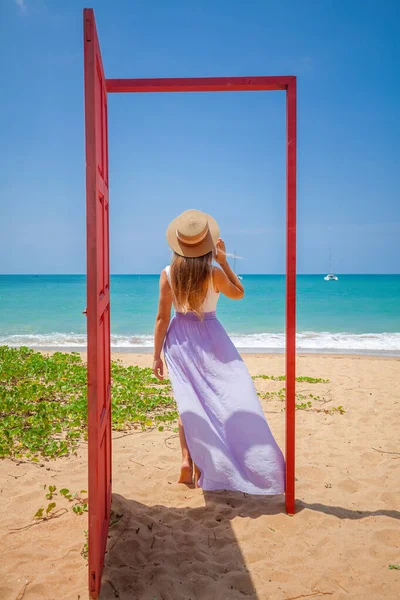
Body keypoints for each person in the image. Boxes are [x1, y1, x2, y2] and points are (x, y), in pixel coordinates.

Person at [152, 209, 285, 495]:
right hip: (211, 339)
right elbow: (239, 292)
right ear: (206, 244)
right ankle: (207, 464)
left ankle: (187, 463)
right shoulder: (213, 272)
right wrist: (224, 262)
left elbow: (162, 318)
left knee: (188, 403)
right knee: (221, 399)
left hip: (179, 340)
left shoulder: (167, 274)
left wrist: (156, 355)